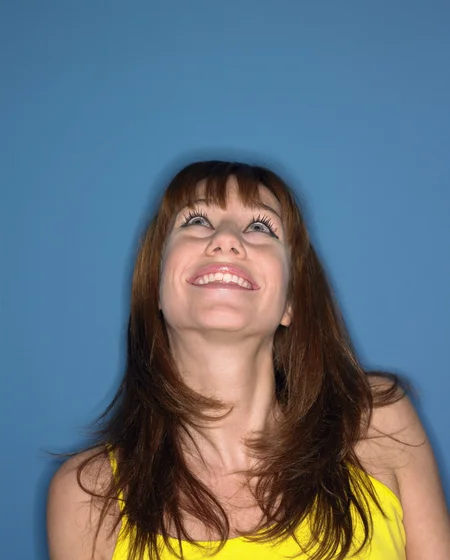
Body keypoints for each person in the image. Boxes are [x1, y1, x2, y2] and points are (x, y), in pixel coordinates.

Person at [47, 160, 450, 560]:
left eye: (260, 227)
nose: (225, 239)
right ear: (154, 285)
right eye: (197, 221)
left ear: (290, 302)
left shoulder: (375, 424)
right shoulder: (90, 496)